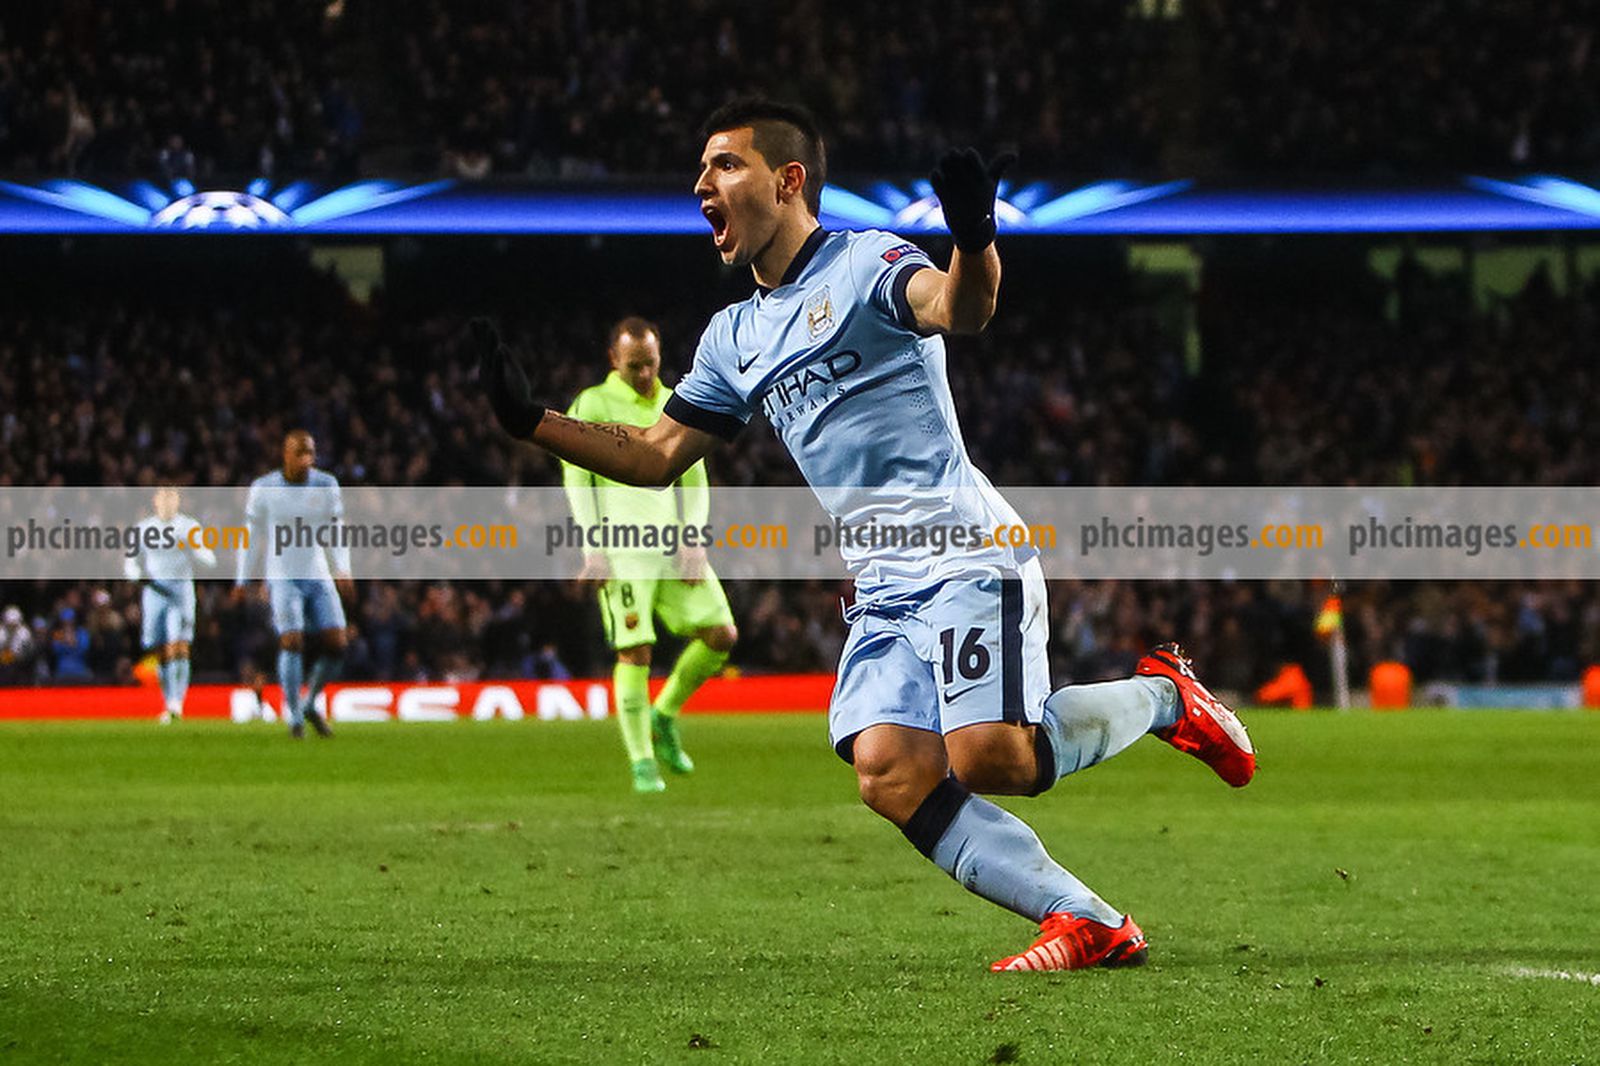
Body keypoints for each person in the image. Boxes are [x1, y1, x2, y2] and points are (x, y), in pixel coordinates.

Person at [471, 98, 1255, 971]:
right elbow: (656, 454)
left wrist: (973, 234)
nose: (702, 185)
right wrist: (528, 419)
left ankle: (1163, 699)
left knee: (993, 756)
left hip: (964, 551)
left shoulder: (867, 262)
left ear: (789, 179)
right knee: (889, 771)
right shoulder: (733, 338)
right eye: (702, 170)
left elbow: (962, 307)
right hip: (880, 583)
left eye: (724, 165)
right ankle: (1088, 920)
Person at [561, 316, 739, 793]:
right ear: (613, 360)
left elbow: (695, 479)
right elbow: (579, 481)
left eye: (651, 364)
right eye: (634, 365)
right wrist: (592, 548)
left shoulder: (672, 404)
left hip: (670, 546)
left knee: (721, 634)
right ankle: (642, 762)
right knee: (635, 650)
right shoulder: (593, 405)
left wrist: (694, 536)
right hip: (621, 552)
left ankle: (664, 715)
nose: (644, 375)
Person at [234, 430, 352, 739]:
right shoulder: (263, 488)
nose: (306, 460)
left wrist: (343, 569)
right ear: (285, 454)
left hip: (318, 574)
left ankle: (310, 702)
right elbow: (250, 537)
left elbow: (337, 530)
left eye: (310, 453)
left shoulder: (326, 485)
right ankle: (295, 717)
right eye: (300, 454)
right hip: (283, 577)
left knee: (338, 644)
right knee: (291, 641)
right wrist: (242, 578)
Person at [124, 487, 217, 722]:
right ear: (155, 501)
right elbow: (130, 561)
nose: (167, 502)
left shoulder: (188, 527)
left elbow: (210, 560)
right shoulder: (144, 529)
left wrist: (192, 550)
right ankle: (169, 702)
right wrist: (136, 576)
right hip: (154, 592)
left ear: (178, 502)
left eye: (171, 498)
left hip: (181, 591)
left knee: (179, 644)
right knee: (160, 648)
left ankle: (177, 702)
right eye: (162, 497)